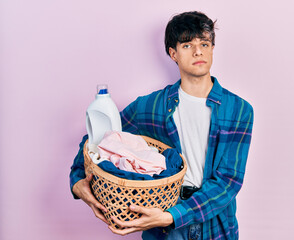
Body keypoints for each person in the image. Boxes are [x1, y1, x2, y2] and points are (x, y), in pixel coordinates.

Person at [70, 11, 254, 240]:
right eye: (187, 45)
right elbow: (98, 139)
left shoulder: (238, 109)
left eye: (205, 43)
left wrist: (172, 216)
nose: (198, 51)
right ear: (173, 53)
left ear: (212, 48)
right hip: (164, 227)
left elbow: (228, 182)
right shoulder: (149, 106)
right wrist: (77, 181)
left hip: (216, 225)